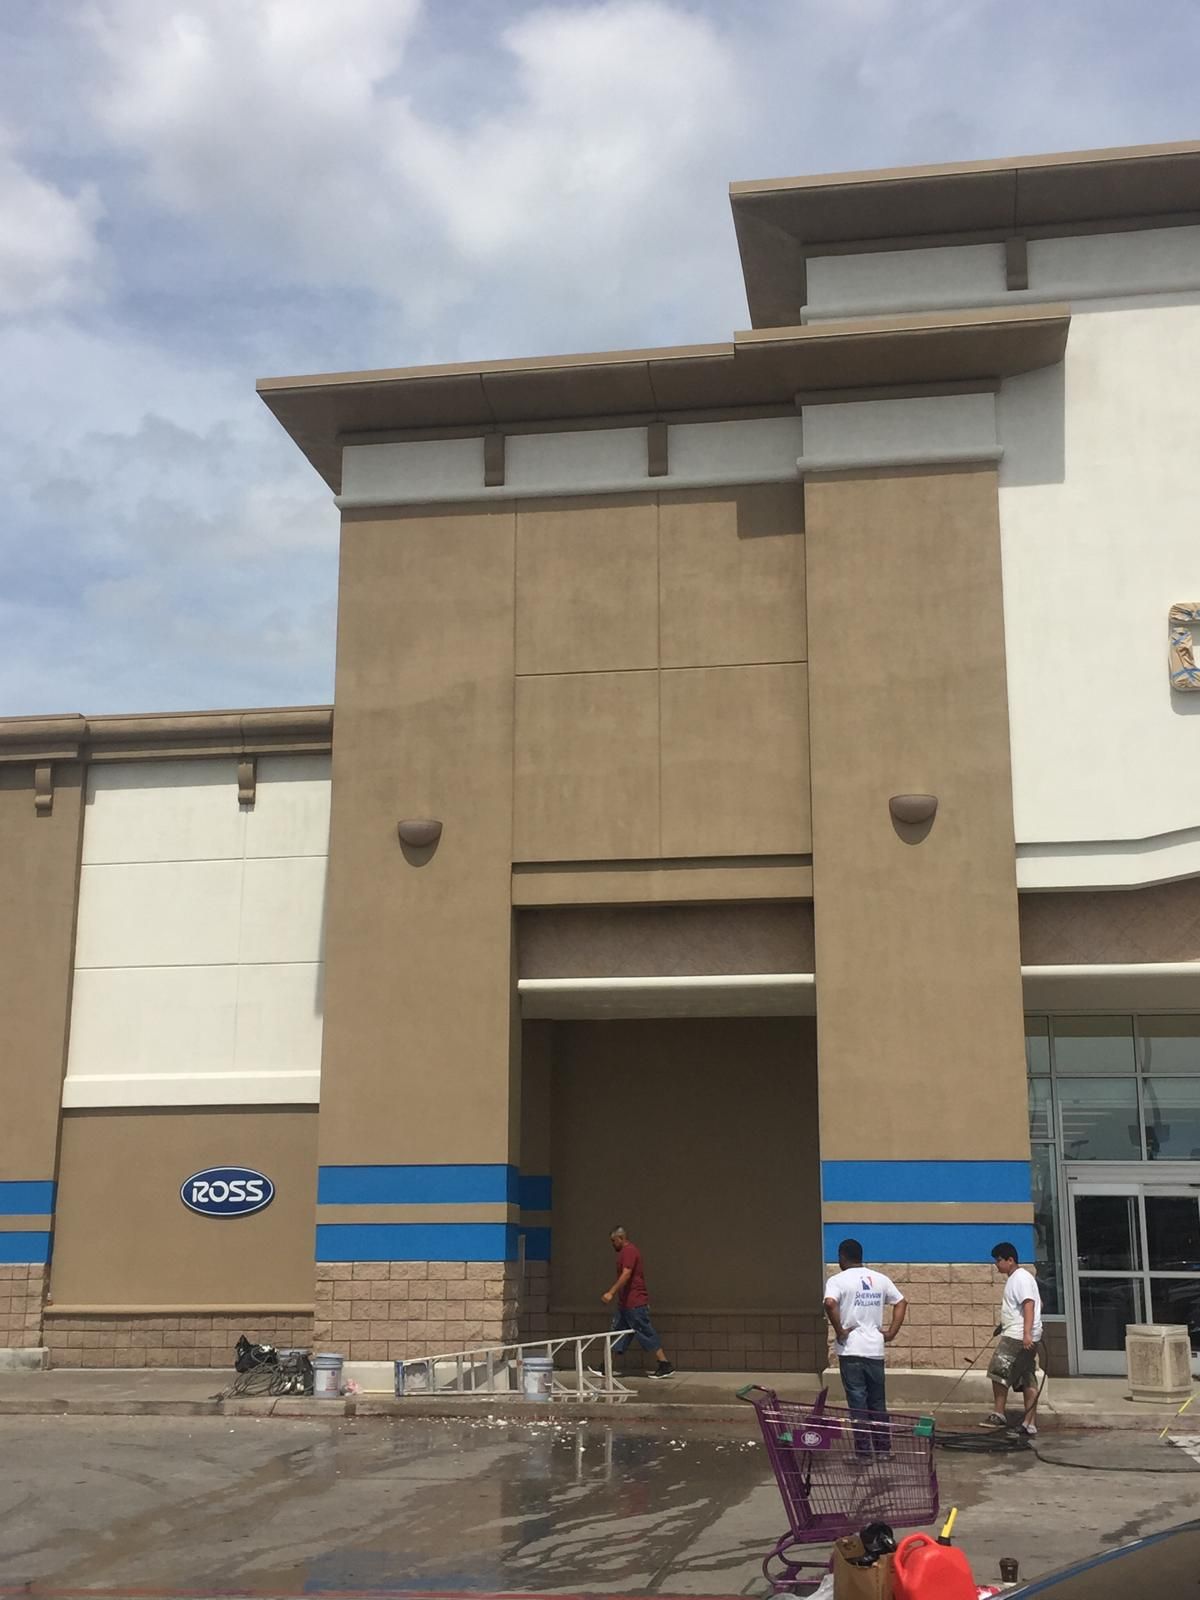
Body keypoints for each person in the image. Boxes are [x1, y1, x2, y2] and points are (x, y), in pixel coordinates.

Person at [823, 1240, 907, 1454]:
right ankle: (883, 1449)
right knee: (877, 1402)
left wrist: (840, 1331)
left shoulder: (837, 1280)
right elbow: (901, 1302)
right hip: (874, 1350)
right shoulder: (880, 1279)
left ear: (842, 1256)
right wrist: (891, 1333)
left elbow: (830, 1303)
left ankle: (863, 1452)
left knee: (857, 1402)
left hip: (851, 1351)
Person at [985, 1241, 1042, 1436]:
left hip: (1018, 1337)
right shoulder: (1018, 1278)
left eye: (999, 1260)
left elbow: (1029, 1304)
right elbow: (1030, 1304)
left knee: (998, 1370)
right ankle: (1029, 1424)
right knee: (1027, 1377)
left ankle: (999, 1414)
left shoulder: (1020, 1278)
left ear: (1011, 1260)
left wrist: (1026, 1333)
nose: (996, 1264)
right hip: (1021, 1333)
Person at [601, 1226, 675, 1378]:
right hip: (625, 1304)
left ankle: (664, 1364)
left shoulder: (629, 1252)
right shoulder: (624, 1253)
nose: (612, 1244)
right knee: (617, 1334)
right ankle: (605, 1366)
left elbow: (626, 1274)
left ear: (621, 1238)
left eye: (613, 1241)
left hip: (635, 1303)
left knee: (645, 1331)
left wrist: (611, 1292)